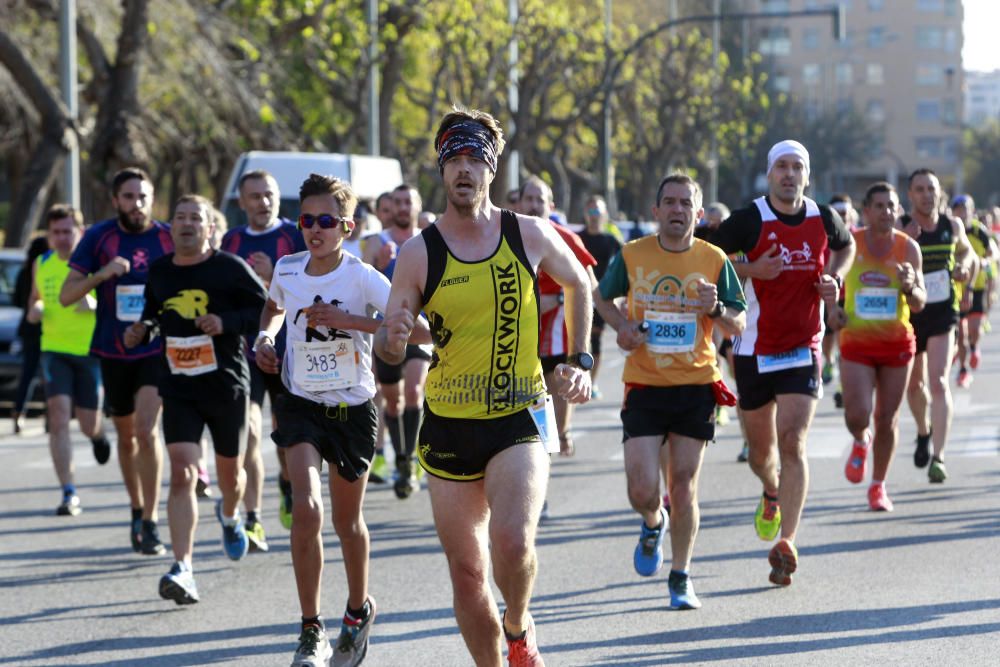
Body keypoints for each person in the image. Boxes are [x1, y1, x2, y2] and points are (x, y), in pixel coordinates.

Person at [375, 106, 592, 667]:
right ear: (442, 171)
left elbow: (580, 284)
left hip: (519, 413)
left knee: (514, 544)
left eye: (475, 159)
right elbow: (391, 344)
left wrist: (579, 359)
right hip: (448, 423)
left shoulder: (529, 233)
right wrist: (392, 340)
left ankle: (518, 627)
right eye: (454, 160)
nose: (464, 170)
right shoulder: (420, 251)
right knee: (468, 572)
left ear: (491, 170)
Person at [256, 174, 421, 666]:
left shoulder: (362, 277)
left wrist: (352, 322)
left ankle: (357, 609)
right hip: (299, 402)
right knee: (306, 509)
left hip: (352, 410)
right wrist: (266, 339)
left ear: (346, 227)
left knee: (348, 522)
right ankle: (311, 628)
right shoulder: (287, 269)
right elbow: (272, 309)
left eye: (326, 221)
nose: (315, 229)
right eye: (307, 220)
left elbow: (420, 330)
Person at [594, 173, 746, 609]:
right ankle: (651, 520)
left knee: (683, 486)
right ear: (656, 211)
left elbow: (739, 321)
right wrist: (622, 327)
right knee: (642, 490)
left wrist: (715, 307)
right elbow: (601, 297)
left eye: (686, 204)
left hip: (695, 384)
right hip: (644, 383)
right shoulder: (632, 254)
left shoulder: (714, 259)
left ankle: (681, 576)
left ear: (698, 214)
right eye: (670, 203)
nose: (678, 210)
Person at [709, 140, 855, 586]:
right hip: (753, 348)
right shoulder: (749, 219)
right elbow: (708, 257)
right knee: (761, 454)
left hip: (802, 348)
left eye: (798, 168)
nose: (790, 175)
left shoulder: (822, 216)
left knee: (793, 442)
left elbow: (846, 247)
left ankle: (787, 541)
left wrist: (835, 277)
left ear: (807, 176)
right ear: (770, 174)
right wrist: (751, 271)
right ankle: (770, 491)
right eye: (782, 168)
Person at [124, 194, 267, 604]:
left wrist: (226, 322)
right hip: (179, 384)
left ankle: (229, 515)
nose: (186, 223)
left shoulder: (229, 268)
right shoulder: (160, 270)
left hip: (225, 385)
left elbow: (263, 310)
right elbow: (155, 312)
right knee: (184, 472)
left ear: (209, 228)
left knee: (230, 476)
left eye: (195, 218)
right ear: (171, 227)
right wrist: (143, 329)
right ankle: (183, 567)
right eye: (180, 217)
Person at [61, 167, 172, 556]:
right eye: (129, 197)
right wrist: (103, 273)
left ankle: (152, 520)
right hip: (113, 349)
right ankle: (136, 508)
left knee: (146, 431)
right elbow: (65, 295)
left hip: (155, 349)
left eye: (143, 196)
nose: (137, 204)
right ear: (116, 200)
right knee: (126, 437)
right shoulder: (99, 237)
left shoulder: (167, 237)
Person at [220, 169, 307, 543]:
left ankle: (287, 487)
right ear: (242, 202)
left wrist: (273, 277)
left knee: (287, 441)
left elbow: (310, 288)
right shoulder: (231, 241)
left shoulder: (293, 235)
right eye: (254, 196)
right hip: (247, 353)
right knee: (251, 434)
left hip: (292, 352)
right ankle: (253, 517)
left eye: (269, 194)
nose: (263, 202)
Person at [837, 183, 926, 511]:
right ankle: (861, 441)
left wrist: (909, 286)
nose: (887, 212)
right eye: (879, 206)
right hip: (857, 342)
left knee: (887, 417)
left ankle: (878, 486)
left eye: (892, 206)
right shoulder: (850, 244)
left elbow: (919, 304)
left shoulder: (908, 248)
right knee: (857, 414)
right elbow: (834, 285)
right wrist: (834, 311)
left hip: (896, 344)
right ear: (866, 210)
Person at [27, 205, 110, 515]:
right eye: (56, 232)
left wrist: (93, 303)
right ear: (49, 235)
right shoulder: (42, 262)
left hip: (89, 352)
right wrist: (35, 309)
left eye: (67, 231)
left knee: (88, 423)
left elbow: (115, 305)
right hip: (54, 349)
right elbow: (34, 299)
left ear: (80, 232)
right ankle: (68, 492)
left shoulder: (92, 265)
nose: (61, 238)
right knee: (58, 418)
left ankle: (98, 435)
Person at [899, 169, 975, 483]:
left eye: (931, 188)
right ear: (910, 195)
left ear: (940, 192)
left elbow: (969, 253)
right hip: (912, 314)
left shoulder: (952, 225)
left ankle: (939, 456)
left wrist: (964, 269)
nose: (927, 195)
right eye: (920, 189)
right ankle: (922, 431)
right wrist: (905, 245)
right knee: (915, 386)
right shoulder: (901, 227)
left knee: (939, 381)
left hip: (944, 312)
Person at [519, 175, 598, 459]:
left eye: (539, 200)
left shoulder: (565, 238)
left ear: (550, 205)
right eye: (528, 199)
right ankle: (549, 448)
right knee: (530, 425)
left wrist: (617, 319)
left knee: (550, 410)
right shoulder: (505, 235)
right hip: (516, 342)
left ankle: (559, 436)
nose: (533, 205)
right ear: (519, 202)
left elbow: (589, 284)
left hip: (556, 338)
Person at [363, 184, 432, 499]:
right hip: (386, 331)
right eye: (398, 202)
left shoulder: (430, 241)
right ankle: (401, 455)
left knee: (415, 390)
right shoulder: (376, 242)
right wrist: (378, 264)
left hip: (420, 328)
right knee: (392, 400)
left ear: (418, 205)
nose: (403, 207)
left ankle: (409, 461)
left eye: (409, 201)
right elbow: (363, 286)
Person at [578, 195, 623, 398]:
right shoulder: (577, 238)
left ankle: (592, 382)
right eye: (591, 211)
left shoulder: (611, 240)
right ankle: (576, 379)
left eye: (598, 211)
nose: (594, 216)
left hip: (599, 298)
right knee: (577, 341)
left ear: (605, 215)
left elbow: (626, 263)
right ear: (585, 214)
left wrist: (620, 294)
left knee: (594, 341)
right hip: (577, 296)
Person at [951, 194, 996, 388]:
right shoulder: (951, 231)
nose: (963, 213)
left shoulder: (980, 231)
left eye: (966, 209)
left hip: (977, 286)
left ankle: (975, 346)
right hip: (957, 288)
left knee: (975, 329)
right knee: (961, 333)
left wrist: (986, 261)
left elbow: (992, 252)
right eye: (959, 209)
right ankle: (963, 370)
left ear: (972, 211)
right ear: (954, 212)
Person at [11, 236, 48, 433]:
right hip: (48, 327)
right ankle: (50, 417)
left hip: (28, 329)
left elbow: (16, 299)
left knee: (28, 373)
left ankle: (19, 413)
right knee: (49, 374)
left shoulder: (24, 272)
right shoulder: (47, 270)